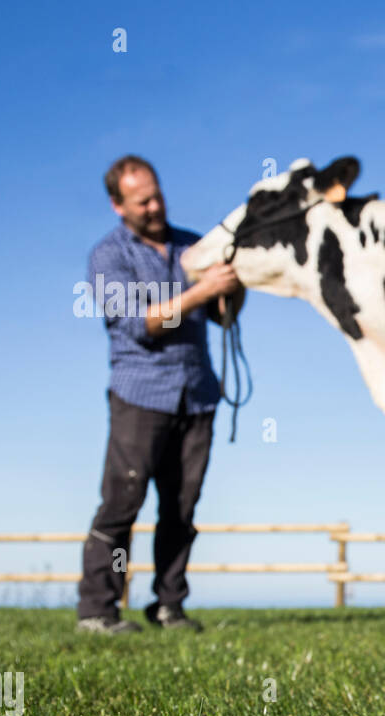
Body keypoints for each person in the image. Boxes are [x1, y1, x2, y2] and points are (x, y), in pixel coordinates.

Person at [75, 156, 244, 634]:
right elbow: (144, 324)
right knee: (121, 503)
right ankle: (98, 611)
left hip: (198, 394)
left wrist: (232, 283)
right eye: (141, 200)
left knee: (182, 507)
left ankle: (169, 605)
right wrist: (199, 291)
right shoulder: (108, 257)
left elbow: (223, 317)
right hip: (141, 395)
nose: (154, 205)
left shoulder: (193, 247)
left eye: (157, 194)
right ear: (117, 205)